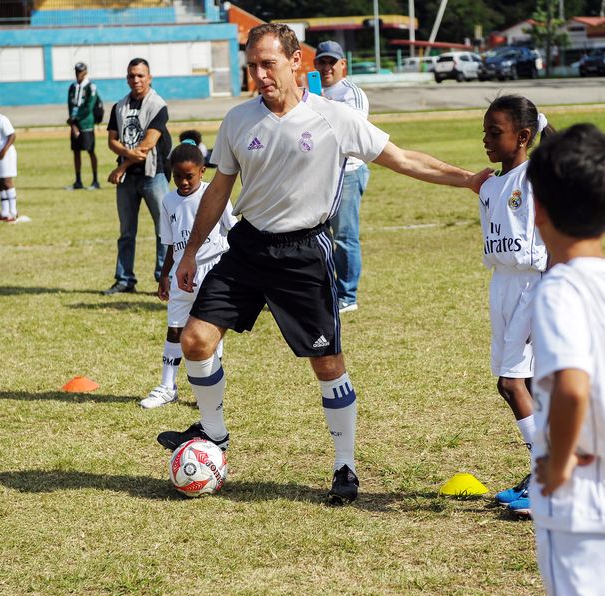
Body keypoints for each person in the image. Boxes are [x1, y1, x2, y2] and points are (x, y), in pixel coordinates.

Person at [155, 24, 491, 504]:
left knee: (328, 363)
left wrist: (466, 179)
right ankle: (215, 436)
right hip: (248, 247)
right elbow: (219, 190)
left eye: (267, 63)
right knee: (195, 340)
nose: (259, 74)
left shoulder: (334, 118)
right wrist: (189, 254)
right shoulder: (237, 120)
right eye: (252, 66)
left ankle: (345, 466)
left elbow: (401, 158)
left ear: (297, 63)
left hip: (304, 254)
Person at [527, 123, 605, 596]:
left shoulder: (560, 289)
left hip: (578, 505)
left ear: (537, 212)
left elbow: (573, 388)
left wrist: (557, 466)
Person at [476, 95, 553, 518]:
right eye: (484, 132)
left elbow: (555, 237)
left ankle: (548, 479)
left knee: (513, 383)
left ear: (523, 136)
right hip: (502, 286)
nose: (486, 140)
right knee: (528, 385)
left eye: (495, 132)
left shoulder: (537, 178)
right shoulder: (490, 185)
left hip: (533, 285)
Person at [141, 140, 235, 409]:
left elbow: (233, 229)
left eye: (189, 176)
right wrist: (164, 274)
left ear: (203, 171)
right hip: (181, 273)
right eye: (177, 176)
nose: (183, 182)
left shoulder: (214, 194)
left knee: (209, 332)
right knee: (175, 328)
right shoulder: (168, 201)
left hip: (212, 270)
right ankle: (167, 386)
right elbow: (170, 243)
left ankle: (209, 391)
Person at [104, 58, 172, 295]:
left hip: (154, 175)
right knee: (126, 232)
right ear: (127, 78)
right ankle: (124, 279)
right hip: (128, 181)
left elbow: (148, 144)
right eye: (132, 76)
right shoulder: (119, 106)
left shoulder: (158, 105)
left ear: (149, 77)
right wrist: (124, 154)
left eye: (141, 75)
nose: (136, 80)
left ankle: (164, 280)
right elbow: (111, 140)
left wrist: (121, 166)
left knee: (164, 230)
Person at [314, 41, 371, 314]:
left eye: (331, 62)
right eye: (321, 62)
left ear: (342, 65)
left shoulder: (352, 94)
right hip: (319, 174)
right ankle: (325, 290)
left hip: (347, 172)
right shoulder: (312, 91)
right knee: (317, 236)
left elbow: (353, 132)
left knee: (344, 237)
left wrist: (321, 110)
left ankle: (348, 296)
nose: (326, 68)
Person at [67, 62, 100, 191]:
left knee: (90, 150)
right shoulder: (72, 87)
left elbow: (89, 107)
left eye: (79, 72)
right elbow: (70, 105)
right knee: (76, 151)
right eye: (76, 71)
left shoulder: (91, 87)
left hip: (86, 124)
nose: (77, 74)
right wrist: (72, 123)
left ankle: (95, 180)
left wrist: (76, 119)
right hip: (75, 124)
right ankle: (78, 181)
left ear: (85, 72)